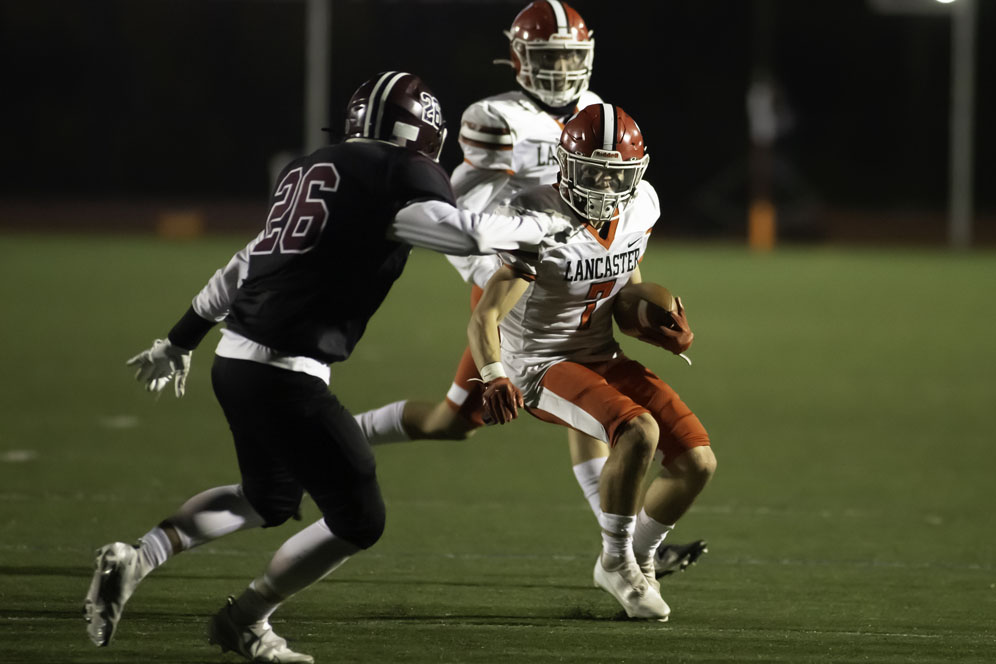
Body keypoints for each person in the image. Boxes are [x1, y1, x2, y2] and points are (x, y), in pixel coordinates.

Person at [82, 71, 573, 664]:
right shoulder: (394, 173)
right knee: (360, 520)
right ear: (421, 132)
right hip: (288, 374)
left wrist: (180, 340)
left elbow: (244, 265)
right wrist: (542, 222)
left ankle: (138, 559)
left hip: (234, 359)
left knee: (267, 498)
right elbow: (467, 235)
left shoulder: (310, 169)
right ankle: (246, 621)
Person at [353, 0, 706, 577]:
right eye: (549, 54)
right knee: (453, 422)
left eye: (571, 53)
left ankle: (620, 549)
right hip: (516, 278)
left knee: (592, 399)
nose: (563, 65)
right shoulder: (495, 116)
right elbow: (468, 199)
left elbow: (613, 205)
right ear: (518, 57)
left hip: (577, 269)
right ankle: (345, 432)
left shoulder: (598, 112)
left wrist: (628, 284)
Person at [467, 104, 717, 621]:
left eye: (615, 173)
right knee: (638, 431)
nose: (603, 183)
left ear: (636, 175)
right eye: (591, 170)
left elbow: (623, 283)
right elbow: (486, 315)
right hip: (539, 362)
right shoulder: (538, 219)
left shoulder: (641, 207)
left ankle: (639, 554)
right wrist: (493, 374)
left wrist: (654, 324)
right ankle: (616, 561)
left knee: (697, 462)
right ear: (565, 166)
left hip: (600, 352)